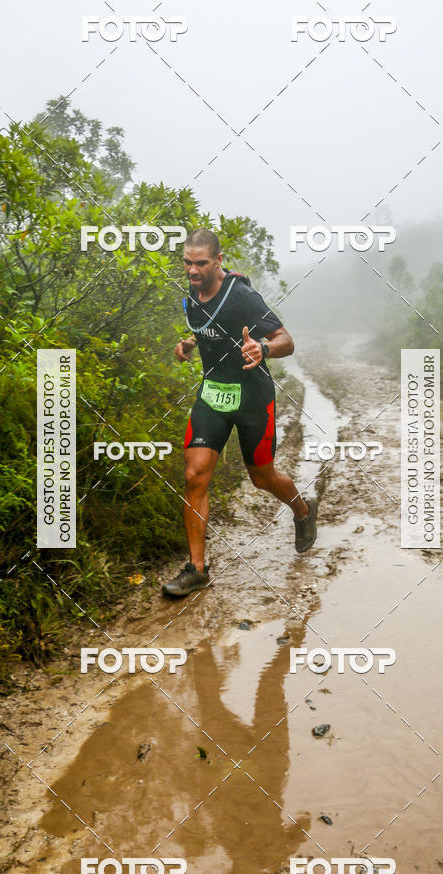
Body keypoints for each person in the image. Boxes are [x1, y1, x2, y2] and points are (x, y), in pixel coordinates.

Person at [162, 228, 318, 598]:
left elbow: (286, 341)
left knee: (262, 477)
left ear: (218, 261)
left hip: (252, 398)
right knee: (195, 473)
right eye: (187, 262)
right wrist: (189, 342)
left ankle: (302, 510)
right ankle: (197, 569)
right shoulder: (193, 292)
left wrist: (263, 348)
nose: (192, 270)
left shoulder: (243, 296)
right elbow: (209, 328)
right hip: (214, 396)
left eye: (200, 263)